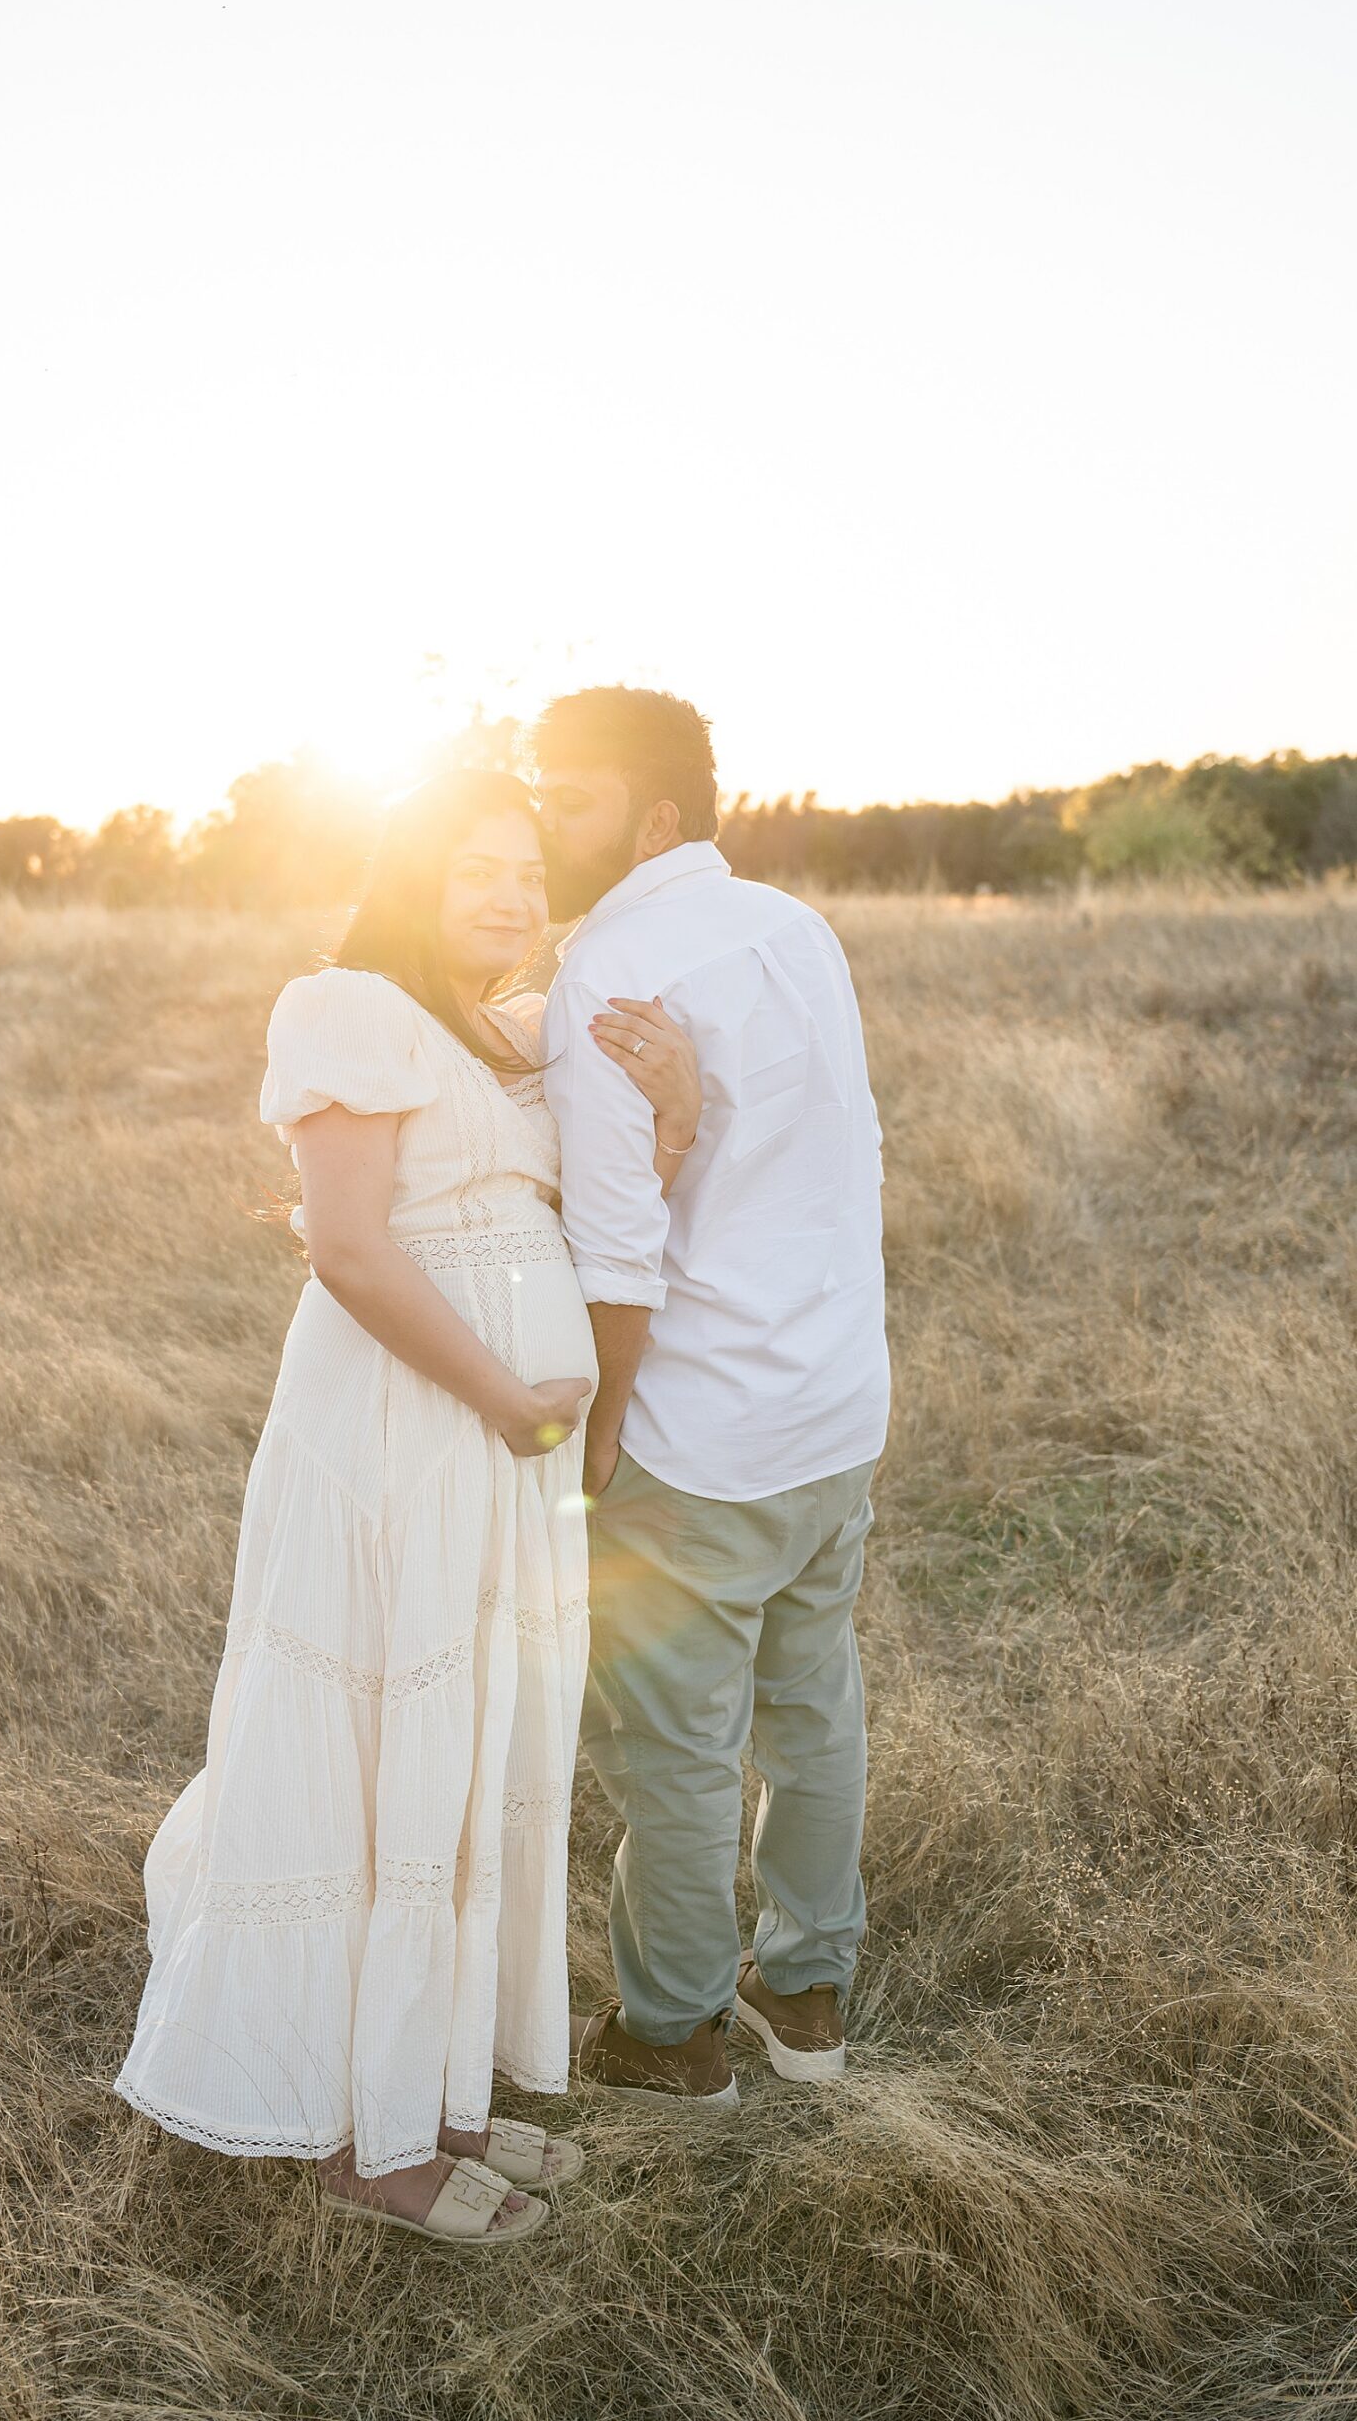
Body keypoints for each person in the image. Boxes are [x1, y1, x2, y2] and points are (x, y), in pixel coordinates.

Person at [112, 766, 702, 2243]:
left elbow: (600, 1205)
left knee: (473, 1756)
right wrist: (506, 1398)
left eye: (527, 871)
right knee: (395, 1754)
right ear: (410, 875)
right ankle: (372, 2148)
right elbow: (351, 1250)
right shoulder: (348, 1007)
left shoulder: (508, 1033)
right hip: (404, 1432)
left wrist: (674, 1112)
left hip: (506, 1457)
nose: (511, 894)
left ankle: (438, 2094)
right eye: (474, 868)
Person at [532, 687, 890, 2108]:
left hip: (698, 1434)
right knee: (813, 1710)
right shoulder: (798, 929)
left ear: (655, 817)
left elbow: (617, 1247)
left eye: (570, 799)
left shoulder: (608, 973)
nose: (544, 823)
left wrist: (601, 1427)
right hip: (835, 1405)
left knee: (675, 1750)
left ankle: (674, 2036)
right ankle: (806, 1994)